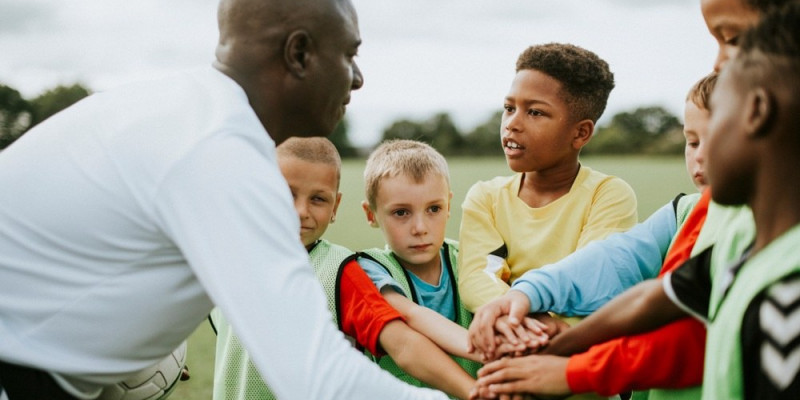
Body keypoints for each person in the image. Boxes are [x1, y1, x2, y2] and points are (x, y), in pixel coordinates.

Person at [0, 0, 449, 399]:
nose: (358, 77)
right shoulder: (218, 152)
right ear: (299, 54)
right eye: (349, 54)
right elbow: (316, 378)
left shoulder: (185, 110)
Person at [475, 3, 800, 399]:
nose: (698, 155)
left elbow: (695, 340)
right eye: (689, 140)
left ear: (758, 113)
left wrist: (573, 370)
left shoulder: (788, 287)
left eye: (712, 133)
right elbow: (652, 292)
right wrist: (546, 331)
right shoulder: (738, 246)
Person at [469, 72, 718, 400]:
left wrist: (570, 364)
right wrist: (527, 294)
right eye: (692, 141)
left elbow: (685, 335)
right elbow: (615, 259)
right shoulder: (683, 212)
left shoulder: (769, 232)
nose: (698, 156)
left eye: (715, 140)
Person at [210, 137, 478, 400]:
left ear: (335, 206)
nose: (301, 211)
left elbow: (404, 344)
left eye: (317, 199)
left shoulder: (342, 271)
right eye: (286, 194)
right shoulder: (226, 258)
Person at [457, 43, 638, 314]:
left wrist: (544, 328)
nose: (512, 123)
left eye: (535, 112)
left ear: (580, 133)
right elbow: (477, 279)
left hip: (577, 346)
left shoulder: (608, 195)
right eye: (509, 108)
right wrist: (526, 322)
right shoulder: (486, 198)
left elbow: (589, 279)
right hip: (509, 334)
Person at [357, 140, 544, 390]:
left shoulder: (472, 257)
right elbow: (411, 315)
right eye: (401, 213)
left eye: (433, 208)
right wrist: (497, 350)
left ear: (448, 206)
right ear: (371, 215)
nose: (420, 228)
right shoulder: (368, 268)